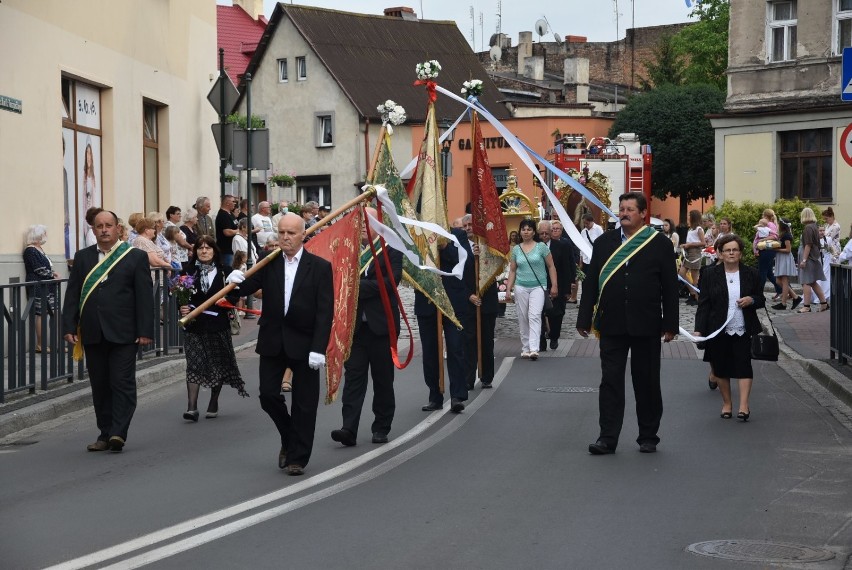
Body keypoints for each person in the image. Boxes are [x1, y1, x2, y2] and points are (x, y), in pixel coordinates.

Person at [226, 213, 333, 476]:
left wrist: (319, 348)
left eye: (291, 233)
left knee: (305, 404)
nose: (285, 237)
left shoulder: (319, 267)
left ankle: (297, 458)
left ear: (302, 235)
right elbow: (243, 288)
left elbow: (324, 311)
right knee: (268, 395)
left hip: (306, 342)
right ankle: (289, 435)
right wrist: (234, 281)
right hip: (274, 339)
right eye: (282, 232)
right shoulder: (268, 262)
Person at [577, 192, 679, 455]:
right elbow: (590, 282)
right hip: (611, 323)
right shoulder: (604, 243)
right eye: (621, 209)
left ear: (643, 213)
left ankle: (648, 436)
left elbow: (669, 287)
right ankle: (607, 437)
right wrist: (584, 317)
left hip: (646, 324)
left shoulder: (660, 244)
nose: (624, 213)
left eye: (630, 209)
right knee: (610, 381)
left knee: (646, 381)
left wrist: (671, 324)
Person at [62, 210, 155, 453]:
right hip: (92, 332)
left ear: (118, 229)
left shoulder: (134, 257)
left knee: (121, 382)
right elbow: (72, 294)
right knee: (100, 385)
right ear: (93, 230)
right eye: (99, 226)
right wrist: (69, 326)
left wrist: (145, 330)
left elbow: (144, 297)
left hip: (124, 332)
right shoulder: (82, 258)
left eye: (108, 225)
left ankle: (118, 432)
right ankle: (104, 433)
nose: (104, 229)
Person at [331, 207, 403, 447]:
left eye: (367, 221)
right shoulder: (349, 250)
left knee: (383, 381)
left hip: (381, 327)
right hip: (355, 330)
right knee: (353, 380)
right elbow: (339, 280)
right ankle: (348, 428)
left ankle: (381, 427)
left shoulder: (390, 249)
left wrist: (357, 285)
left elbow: (390, 282)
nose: (362, 225)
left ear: (377, 223)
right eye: (359, 221)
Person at [693, 234, 764, 422]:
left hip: (743, 327)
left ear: (740, 253)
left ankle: (744, 405)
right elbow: (704, 304)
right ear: (720, 254)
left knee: (744, 364)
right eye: (727, 250)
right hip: (717, 328)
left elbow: (761, 299)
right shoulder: (709, 274)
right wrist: (699, 329)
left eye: (735, 250)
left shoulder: (752, 273)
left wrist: (752, 300)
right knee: (720, 367)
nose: (731, 253)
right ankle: (727, 403)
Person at [177, 236, 248, 421]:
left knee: (218, 363)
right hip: (194, 325)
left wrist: (228, 300)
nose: (204, 251)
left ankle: (213, 401)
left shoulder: (225, 272)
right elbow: (181, 295)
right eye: (200, 248)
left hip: (218, 324)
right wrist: (182, 306)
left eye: (208, 248)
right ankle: (191, 407)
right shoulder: (188, 271)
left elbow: (235, 294)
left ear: (214, 251)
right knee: (194, 364)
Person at [415, 226, 473, 413]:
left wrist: (444, 246)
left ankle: (457, 395)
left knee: (456, 349)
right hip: (427, 300)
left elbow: (466, 261)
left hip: (453, 302)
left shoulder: (457, 235)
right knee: (430, 352)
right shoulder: (418, 232)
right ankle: (435, 394)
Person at [505, 218, 557, 360]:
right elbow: (513, 270)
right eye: (523, 229)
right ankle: (525, 347)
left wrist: (554, 285)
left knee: (534, 315)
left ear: (534, 232)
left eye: (529, 229)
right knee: (523, 317)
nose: (526, 232)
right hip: (521, 286)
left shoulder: (541, 247)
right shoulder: (516, 249)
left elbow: (551, 266)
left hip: (538, 286)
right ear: (520, 232)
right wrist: (509, 289)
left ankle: (534, 348)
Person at [464, 216, 499, 389]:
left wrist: (482, 255)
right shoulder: (459, 247)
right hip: (468, 301)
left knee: (486, 341)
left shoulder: (488, 245)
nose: (469, 228)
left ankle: (486, 376)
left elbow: (497, 266)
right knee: (469, 342)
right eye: (465, 225)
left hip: (487, 302)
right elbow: (456, 277)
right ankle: (468, 379)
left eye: (471, 224)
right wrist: (468, 294)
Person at [537, 220, 575, 351]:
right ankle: (541, 339)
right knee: (538, 314)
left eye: (546, 233)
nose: (544, 236)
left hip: (557, 286)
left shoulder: (560, 246)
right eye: (541, 233)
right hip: (538, 286)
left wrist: (567, 289)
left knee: (556, 314)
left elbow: (566, 268)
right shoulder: (534, 246)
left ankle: (554, 336)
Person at [23, 225, 60, 353]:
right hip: (38, 284)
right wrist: (51, 275)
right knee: (41, 314)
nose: (46, 236)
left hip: (47, 284)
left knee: (54, 312)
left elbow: (47, 266)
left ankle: (55, 344)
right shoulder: (30, 250)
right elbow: (39, 269)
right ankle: (40, 345)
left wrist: (53, 273)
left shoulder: (39, 249)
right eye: (44, 233)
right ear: (37, 236)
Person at [796, 207, 828, 313]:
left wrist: (804, 260)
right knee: (813, 282)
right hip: (813, 257)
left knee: (806, 282)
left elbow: (808, 245)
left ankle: (806, 306)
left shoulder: (808, 228)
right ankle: (824, 303)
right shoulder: (814, 227)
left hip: (808, 258)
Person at [772, 219, 802, 311]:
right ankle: (795, 297)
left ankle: (783, 303)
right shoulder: (782, 235)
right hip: (781, 258)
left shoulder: (787, 236)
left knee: (784, 281)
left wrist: (776, 249)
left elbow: (788, 250)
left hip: (785, 258)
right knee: (778, 280)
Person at [753, 208, 783, 300]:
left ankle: (759, 293)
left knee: (762, 272)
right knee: (769, 273)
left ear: (766, 216)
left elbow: (774, 236)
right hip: (767, 250)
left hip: (766, 250)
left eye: (763, 215)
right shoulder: (770, 224)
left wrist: (762, 240)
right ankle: (781, 290)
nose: (762, 217)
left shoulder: (769, 224)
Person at [215, 195, 239, 266]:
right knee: (228, 270)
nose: (235, 203)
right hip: (226, 250)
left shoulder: (230, 213)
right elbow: (227, 232)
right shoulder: (223, 215)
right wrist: (240, 231)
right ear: (227, 203)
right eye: (233, 201)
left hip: (232, 249)